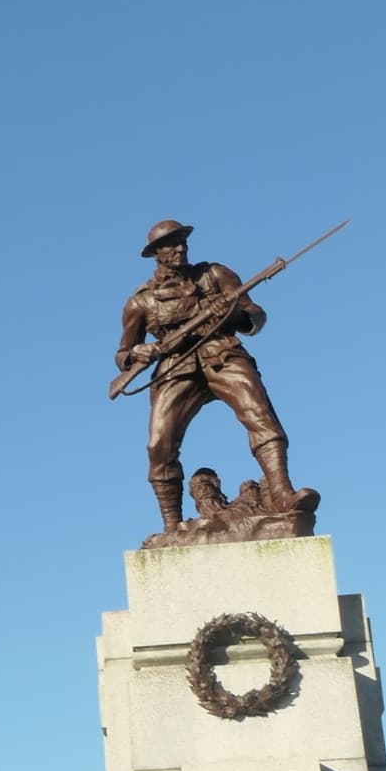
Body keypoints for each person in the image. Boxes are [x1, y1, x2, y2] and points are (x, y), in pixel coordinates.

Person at [115, 219, 300, 538]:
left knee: (259, 413)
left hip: (222, 352)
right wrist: (137, 355)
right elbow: (123, 354)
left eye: (182, 241)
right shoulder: (140, 301)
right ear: (156, 253)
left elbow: (255, 315)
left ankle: (283, 493)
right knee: (159, 444)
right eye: (172, 244)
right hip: (175, 367)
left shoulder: (215, 275)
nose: (180, 248)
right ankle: (172, 525)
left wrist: (232, 314)